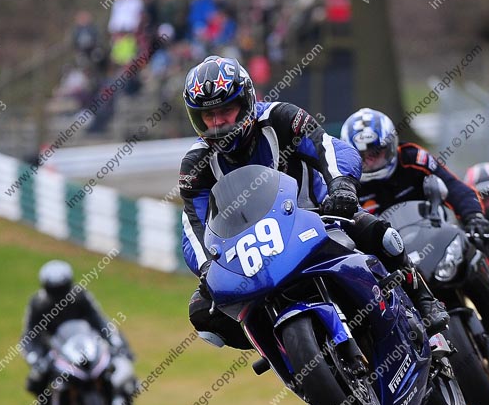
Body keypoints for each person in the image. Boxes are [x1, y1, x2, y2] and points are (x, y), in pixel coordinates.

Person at [179, 57, 449, 350]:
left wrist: (341, 185)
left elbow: (328, 146)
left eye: (226, 111)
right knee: (201, 311)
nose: (218, 124)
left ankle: (424, 300)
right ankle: (278, 348)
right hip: (256, 248)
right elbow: (194, 222)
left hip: (319, 214)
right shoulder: (196, 164)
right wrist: (207, 266)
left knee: (378, 233)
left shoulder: (281, 118)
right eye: (209, 116)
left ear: (245, 101)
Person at [339, 108, 489, 331]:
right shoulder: (346, 182)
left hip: (434, 235)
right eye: (362, 157)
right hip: (390, 259)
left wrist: (474, 216)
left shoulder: (414, 157)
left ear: (392, 146)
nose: (371, 162)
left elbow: (455, 186)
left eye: (376, 153)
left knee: (486, 240)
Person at [21, 260, 134, 405]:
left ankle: (125, 395)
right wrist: (34, 357)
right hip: (57, 351)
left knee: (119, 360)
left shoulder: (80, 296)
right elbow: (29, 335)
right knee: (35, 379)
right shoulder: (38, 304)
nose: (59, 295)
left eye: (62, 288)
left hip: (84, 345)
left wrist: (115, 343)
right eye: (55, 290)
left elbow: (99, 320)